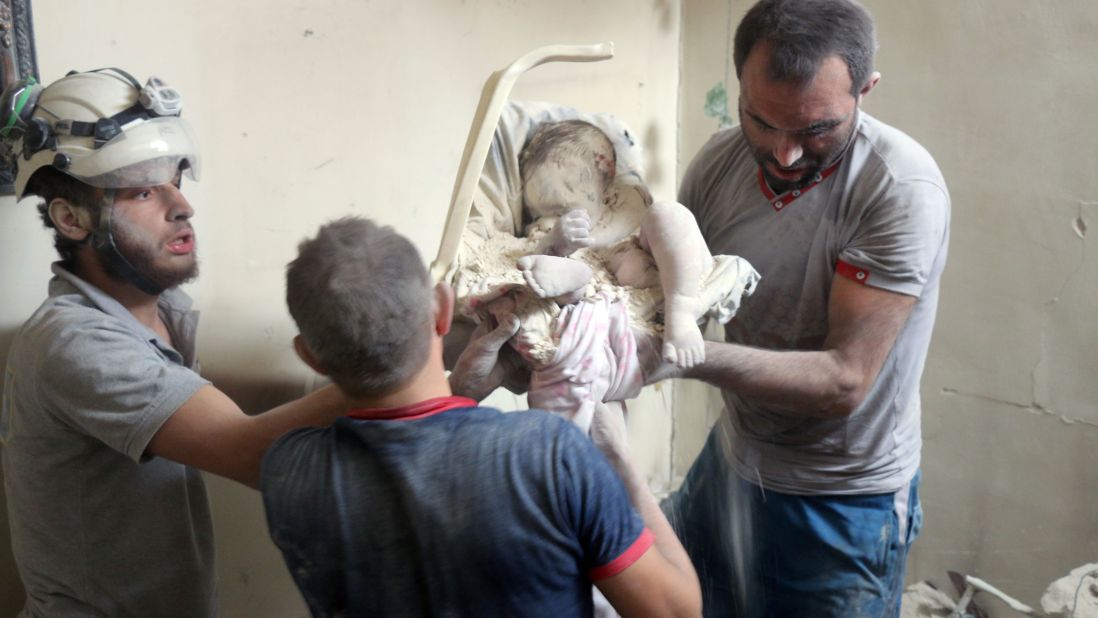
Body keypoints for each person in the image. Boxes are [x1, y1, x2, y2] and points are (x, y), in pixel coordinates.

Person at [0, 68, 350, 616]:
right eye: (142, 188)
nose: (180, 205)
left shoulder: (154, 315)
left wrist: (457, 368)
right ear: (71, 219)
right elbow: (254, 452)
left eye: (174, 180)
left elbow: (257, 412)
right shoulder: (75, 342)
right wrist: (404, 367)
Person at [658, 0, 952, 616]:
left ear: (866, 90)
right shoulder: (719, 164)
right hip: (735, 455)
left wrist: (683, 357)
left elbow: (843, 380)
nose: (784, 154)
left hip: (842, 498)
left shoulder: (896, 190)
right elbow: (671, 290)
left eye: (816, 129)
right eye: (761, 121)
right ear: (740, 84)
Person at [260, 216, 701, 617]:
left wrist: (460, 391)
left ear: (309, 358)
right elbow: (677, 613)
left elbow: (401, 446)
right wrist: (619, 458)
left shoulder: (287, 471)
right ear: (445, 309)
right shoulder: (547, 454)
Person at [452, 118, 759, 432]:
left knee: (668, 215)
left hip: (661, 281)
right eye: (548, 208)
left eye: (573, 186)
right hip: (600, 318)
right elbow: (528, 267)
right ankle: (572, 277)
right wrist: (555, 241)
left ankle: (681, 306)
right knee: (557, 285)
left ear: (608, 195)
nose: (564, 208)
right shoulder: (546, 229)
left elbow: (655, 227)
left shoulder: (627, 209)